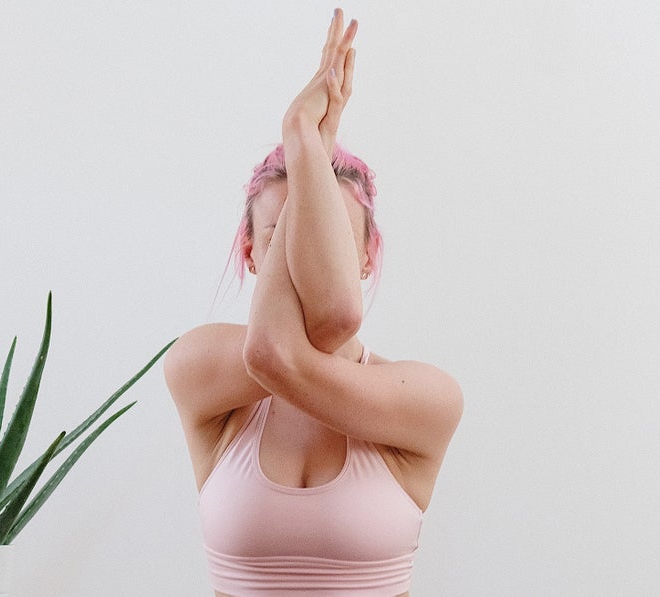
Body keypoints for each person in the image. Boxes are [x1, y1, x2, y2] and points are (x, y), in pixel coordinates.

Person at [164, 9, 463, 596]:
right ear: (251, 251)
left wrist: (304, 137)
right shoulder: (200, 368)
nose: (302, 260)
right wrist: (308, 151)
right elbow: (299, 338)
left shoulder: (427, 399)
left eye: (327, 239)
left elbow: (308, 339)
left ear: (368, 257)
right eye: (281, 238)